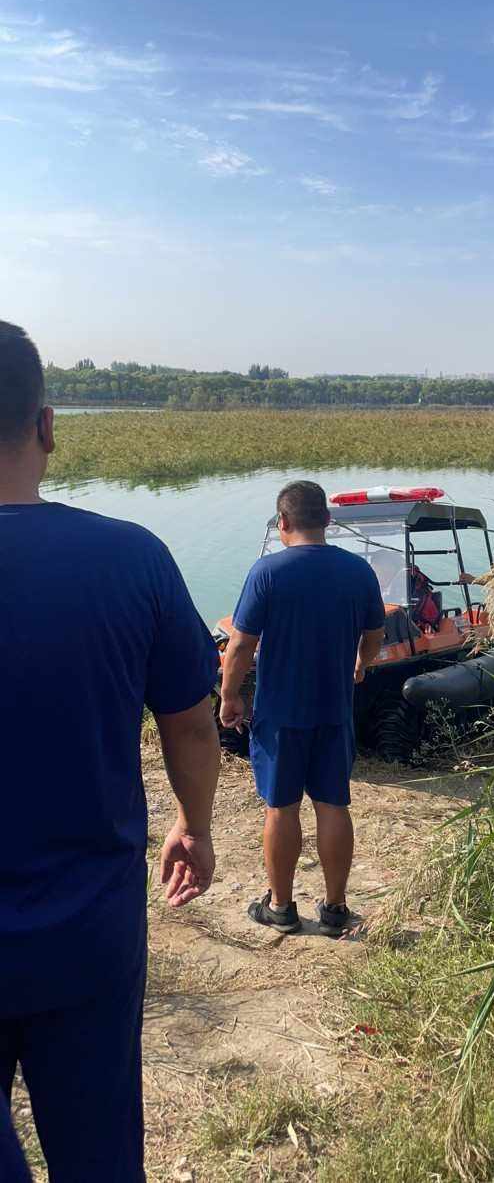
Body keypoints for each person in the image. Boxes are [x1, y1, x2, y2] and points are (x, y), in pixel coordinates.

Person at [0, 322, 221, 1182]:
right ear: (47, 426)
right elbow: (192, 725)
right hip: (86, 928)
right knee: (98, 1153)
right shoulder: (132, 557)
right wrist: (194, 825)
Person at [220, 480, 385, 938]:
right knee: (333, 805)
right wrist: (361, 663)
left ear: (283, 522)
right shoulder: (358, 571)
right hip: (334, 712)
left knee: (282, 809)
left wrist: (230, 696)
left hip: (281, 714)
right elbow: (375, 634)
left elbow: (240, 645)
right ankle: (335, 910)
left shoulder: (267, 572)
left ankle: (281, 908)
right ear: (327, 520)